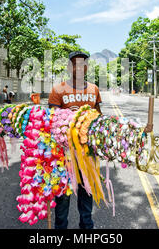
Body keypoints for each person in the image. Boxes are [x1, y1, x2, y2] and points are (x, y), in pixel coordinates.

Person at [48, 51, 102, 229]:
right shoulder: (58, 90)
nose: (79, 67)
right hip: (65, 155)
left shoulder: (94, 89)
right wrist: (69, 115)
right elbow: (52, 120)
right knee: (63, 198)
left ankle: (87, 229)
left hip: (87, 154)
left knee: (87, 194)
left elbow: (99, 117)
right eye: (74, 64)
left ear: (86, 67)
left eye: (82, 64)